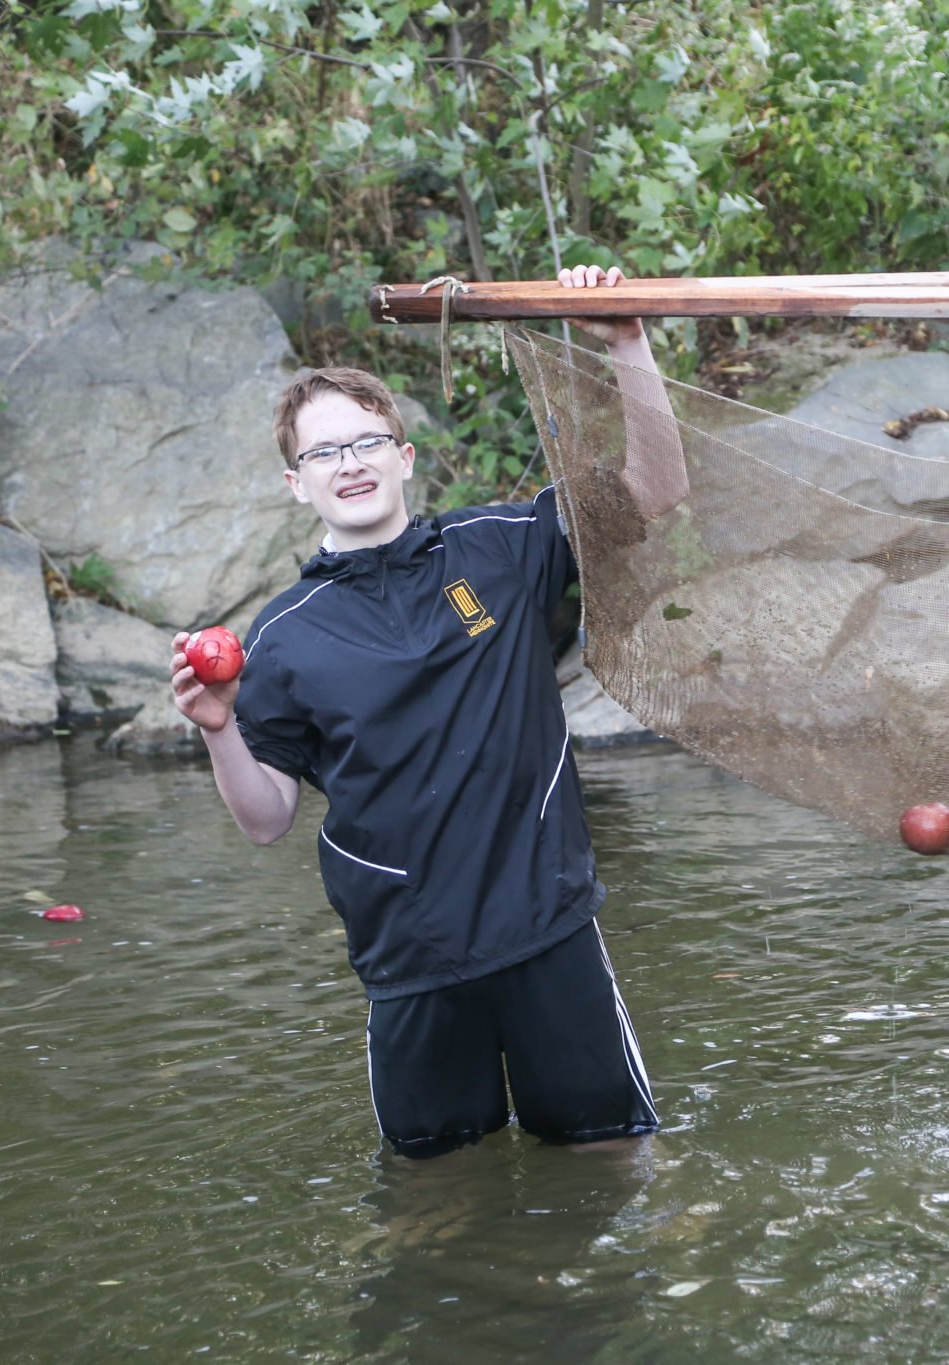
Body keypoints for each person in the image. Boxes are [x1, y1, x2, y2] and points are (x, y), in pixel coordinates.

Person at [170, 264, 687, 1156]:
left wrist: (628, 343)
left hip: (549, 933)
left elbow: (659, 487)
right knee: (435, 1201)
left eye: (366, 442)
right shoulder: (284, 638)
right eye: (322, 452)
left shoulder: (499, 550)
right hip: (411, 969)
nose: (349, 463)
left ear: (403, 457)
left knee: (614, 1164)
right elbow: (265, 821)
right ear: (297, 483)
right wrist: (219, 729)